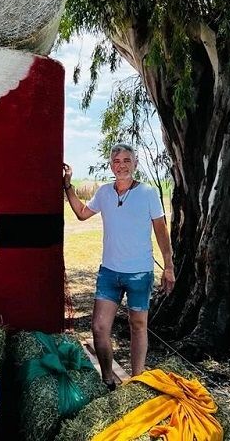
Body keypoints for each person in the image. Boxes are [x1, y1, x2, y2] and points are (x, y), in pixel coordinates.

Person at [63, 143, 175, 389]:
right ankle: (107, 380)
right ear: (111, 166)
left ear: (135, 164)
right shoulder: (104, 193)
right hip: (110, 273)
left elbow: (161, 231)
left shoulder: (148, 194)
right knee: (99, 327)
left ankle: (136, 381)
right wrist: (68, 186)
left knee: (138, 325)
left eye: (126, 160)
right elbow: (82, 213)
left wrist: (168, 266)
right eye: (116, 161)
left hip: (139, 273)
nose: (121, 165)